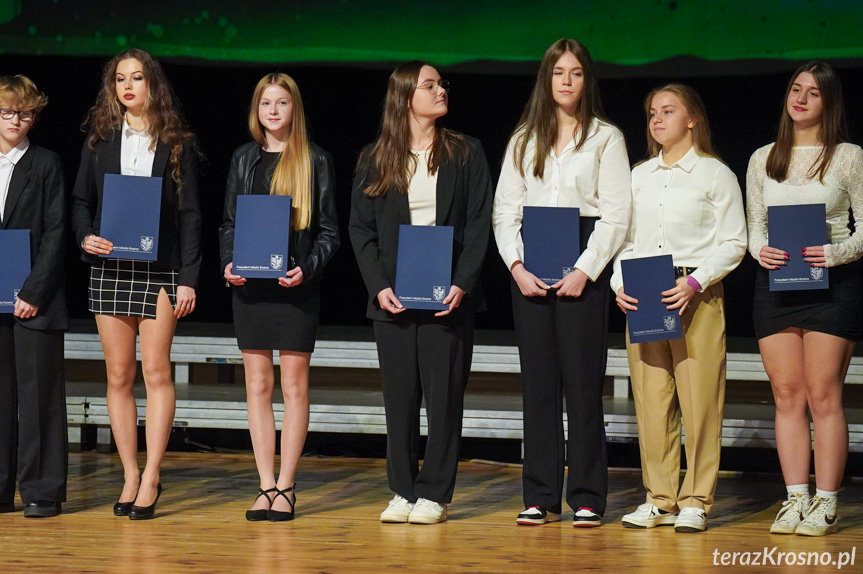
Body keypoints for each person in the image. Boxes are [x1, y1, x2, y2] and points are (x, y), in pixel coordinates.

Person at [492, 38, 631, 528]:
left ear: (586, 79)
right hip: (530, 267)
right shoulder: (523, 138)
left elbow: (616, 215)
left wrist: (584, 270)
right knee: (539, 386)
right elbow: (506, 211)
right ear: (546, 79)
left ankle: (588, 495)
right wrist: (515, 266)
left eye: (574, 73)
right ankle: (541, 494)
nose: (566, 81)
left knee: (583, 385)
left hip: (582, 264)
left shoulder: (606, 138)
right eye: (558, 73)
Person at [349, 61, 492, 525]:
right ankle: (402, 490)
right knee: (399, 398)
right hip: (394, 297)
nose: (440, 91)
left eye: (441, 84)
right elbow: (361, 230)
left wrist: (462, 283)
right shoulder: (376, 157)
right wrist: (379, 287)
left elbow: (477, 225)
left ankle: (435, 492)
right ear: (405, 97)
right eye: (429, 85)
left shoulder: (465, 152)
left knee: (445, 396)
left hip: (447, 295)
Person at [71, 48, 201, 520]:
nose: (128, 86)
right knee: (119, 376)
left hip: (161, 271)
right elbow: (81, 202)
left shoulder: (177, 141)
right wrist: (86, 237)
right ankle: (129, 471)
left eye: (138, 78)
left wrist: (188, 278)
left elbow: (190, 217)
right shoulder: (99, 139)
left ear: (153, 85)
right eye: (120, 79)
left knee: (157, 373)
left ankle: (152, 474)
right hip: (110, 269)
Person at [613, 84, 746, 533]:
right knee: (652, 400)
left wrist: (694, 281)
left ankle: (696, 499)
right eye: (652, 112)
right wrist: (618, 284)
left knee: (700, 399)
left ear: (692, 119)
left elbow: (735, 242)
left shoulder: (714, 174)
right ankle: (659, 497)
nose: (657, 119)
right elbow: (625, 240)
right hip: (645, 292)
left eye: (668, 111)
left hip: (695, 291)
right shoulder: (638, 175)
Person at [746, 62, 863, 537]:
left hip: (833, 284)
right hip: (777, 283)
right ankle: (795, 498)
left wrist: (835, 253)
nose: (801, 99)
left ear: (828, 103)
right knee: (787, 394)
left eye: (813, 93)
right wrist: (761, 250)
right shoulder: (763, 157)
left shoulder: (849, 156)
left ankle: (827, 502)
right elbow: (755, 225)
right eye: (796, 90)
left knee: (823, 394)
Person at [219, 73, 339, 522]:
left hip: (295, 291)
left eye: (282, 102)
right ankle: (264, 484)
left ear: (295, 109)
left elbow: (330, 233)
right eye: (265, 103)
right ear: (256, 110)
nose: (273, 110)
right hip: (250, 290)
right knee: (257, 386)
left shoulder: (315, 160)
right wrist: (228, 263)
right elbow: (229, 222)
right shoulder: (243, 159)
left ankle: (286, 487)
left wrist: (305, 269)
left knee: (293, 387)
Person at [0, 75, 68, 518]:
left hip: (34, 299)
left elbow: (56, 232)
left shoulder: (45, 164)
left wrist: (32, 290)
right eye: (7, 112)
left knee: (39, 392)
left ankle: (42, 490)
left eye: (25, 114)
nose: (16, 121)